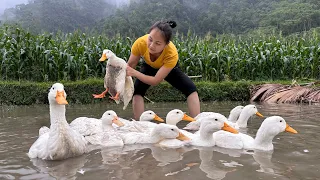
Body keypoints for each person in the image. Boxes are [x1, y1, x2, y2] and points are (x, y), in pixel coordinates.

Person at [126, 20, 200, 120]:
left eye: (158, 43)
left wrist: (135, 73)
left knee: (191, 89)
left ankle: (196, 124)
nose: (152, 45)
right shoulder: (140, 43)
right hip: (149, 65)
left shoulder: (171, 53)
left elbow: (156, 80)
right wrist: (120, 89)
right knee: (137, 91)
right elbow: (129, 67)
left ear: (166, 45)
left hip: (168, 68)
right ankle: (140, 125)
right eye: (150, 39)